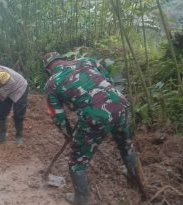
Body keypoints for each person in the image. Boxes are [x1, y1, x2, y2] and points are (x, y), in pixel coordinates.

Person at [43, 52, 144, 205]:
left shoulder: (51, 84)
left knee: (77, 162)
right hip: (120, 104)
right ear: (62, 59)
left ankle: (81, 200)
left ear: (48, 70)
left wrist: (69, 135)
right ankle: (138, 182)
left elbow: (58, 117)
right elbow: (107, 80)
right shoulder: (87, 61)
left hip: (95, 116)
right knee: (126, 146)